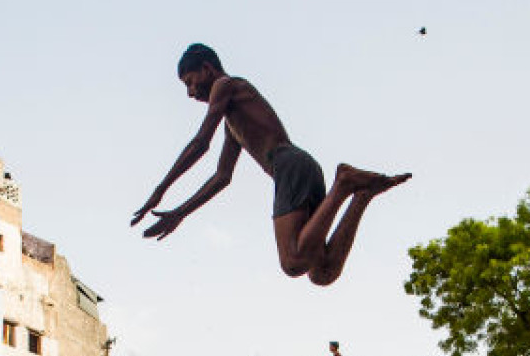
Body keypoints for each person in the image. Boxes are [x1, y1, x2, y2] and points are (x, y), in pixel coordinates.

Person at [133, 43, 410, 286]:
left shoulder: (225, 85)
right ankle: (360, 196)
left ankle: (344, 183)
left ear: (207, 68)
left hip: (288, 166)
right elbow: (222, 177)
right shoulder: (233, 123)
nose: (191, 93)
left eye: (191, 82)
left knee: (292, 262)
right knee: (321, 272)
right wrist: (180, 213)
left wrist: (160, 189)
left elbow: (200, 143)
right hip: (303, 167)